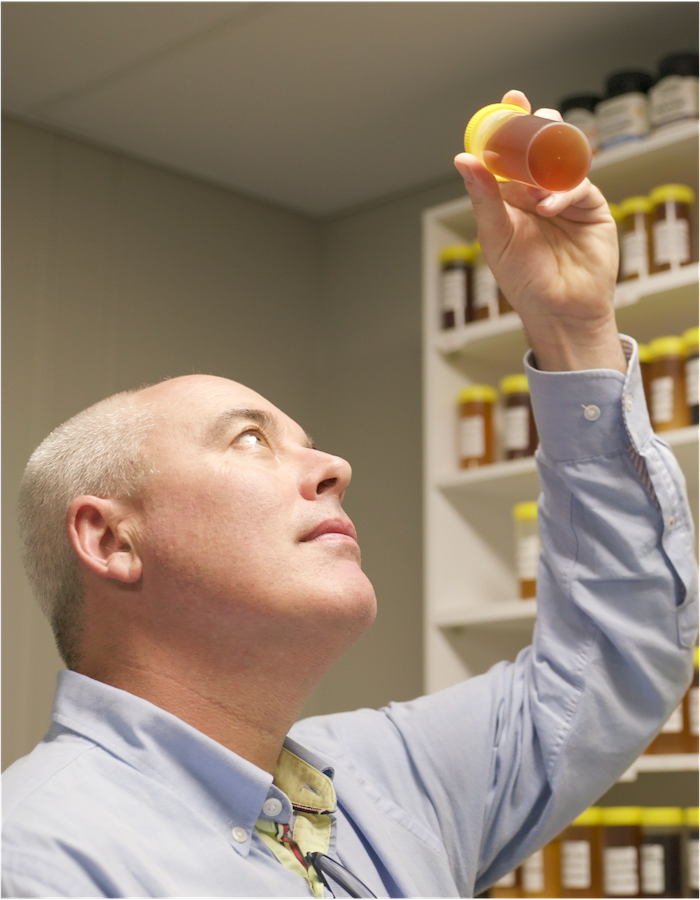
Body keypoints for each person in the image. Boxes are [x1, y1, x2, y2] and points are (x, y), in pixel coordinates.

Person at [2, 91, 697, 899]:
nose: (335, 466)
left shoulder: (385, 784)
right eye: (250, 439)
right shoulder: (42, 858)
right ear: (112, 540)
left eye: (308, 442)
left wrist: (573, 327)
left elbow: (615, 652)